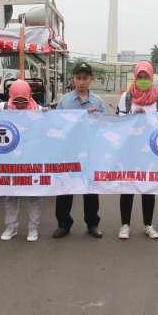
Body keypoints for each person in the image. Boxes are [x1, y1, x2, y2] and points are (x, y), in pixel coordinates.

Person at [52, 62, 105, 239]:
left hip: (90, 152)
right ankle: (63, 223)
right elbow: (57, 125)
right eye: (78, 78)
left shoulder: (98, 102)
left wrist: (93, 118)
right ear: (73, 79)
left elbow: (105, 128)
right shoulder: (64, 101)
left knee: (90, 189)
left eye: (85, 78)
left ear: (91, 79)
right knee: (65, 187)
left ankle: (92, 224)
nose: (82, 81)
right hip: (69, 152)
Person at [117, 61, 158, 240]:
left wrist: (149, 119)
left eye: (146, 77)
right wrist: (132, 117)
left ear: (151, 76)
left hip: (151, 151)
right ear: (135, 77)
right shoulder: (127, 96)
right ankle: (125, 225)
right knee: (128, 187)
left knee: (148, 188)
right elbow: (119, 121)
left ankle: (148, 224)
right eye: (140, 77)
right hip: (130, 148)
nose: (143, 80)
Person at [0, 80, 44, 242]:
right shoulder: (3, 108)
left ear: (29, 96)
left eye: (23, 101)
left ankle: (33, 228)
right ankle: (11, 227)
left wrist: (47, 115)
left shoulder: (38, 109)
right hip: (10, 160)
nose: (20, 105)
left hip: (32, 159)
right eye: (16, 101)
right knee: (10, 195)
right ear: (11, 97)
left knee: (34, 195)